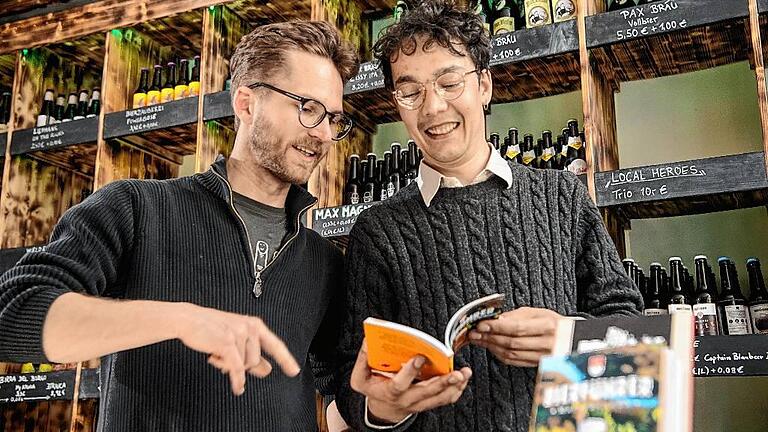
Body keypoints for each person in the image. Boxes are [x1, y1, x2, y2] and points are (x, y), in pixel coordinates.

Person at [0, 20, 359, 431]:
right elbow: (13, 313)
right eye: (307, 108)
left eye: (333, 118)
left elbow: (339, 395)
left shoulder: (324, 261)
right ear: (246, 104)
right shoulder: (136, 208)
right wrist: (181, 320)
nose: (324, 135)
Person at [335, 1, 643, 431]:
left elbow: (629, 323)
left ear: (484, 86)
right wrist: (385, 407)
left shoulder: (563, 196)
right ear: (396, 103)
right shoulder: (378, 231)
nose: (433, 107)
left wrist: (568, 336)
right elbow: (352, 380)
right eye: (411, 91)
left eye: (449, 82)